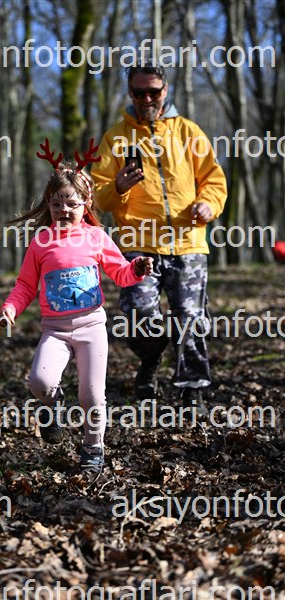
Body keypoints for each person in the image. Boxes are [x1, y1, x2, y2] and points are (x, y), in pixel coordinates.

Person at [0, 145, 153, 473]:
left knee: (92, 396)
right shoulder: (41, 242)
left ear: (86, 203)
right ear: (49, 205)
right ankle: (53, 403)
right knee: (39, 382)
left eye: (71, 203)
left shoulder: (96, 237)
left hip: (91, 328)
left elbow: (121, 273)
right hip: (54, 330)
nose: (64, 210)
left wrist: (136, 268)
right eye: (57, 204)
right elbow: (25, 285)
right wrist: (11, 308)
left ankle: (93, 448)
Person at [91, 61, 227, 412]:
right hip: (138, 247)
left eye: (153, 91)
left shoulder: (188, 132)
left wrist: (208, 205)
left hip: (188, 242)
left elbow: (214, 180)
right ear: (130, 92)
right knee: (139, 319)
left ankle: (192, 390)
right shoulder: (116, 138)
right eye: (139, 93)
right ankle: (150, 359)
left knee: (191, 318)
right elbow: (97, 195)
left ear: (165, 91)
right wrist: (117, 187)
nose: (147, 99)